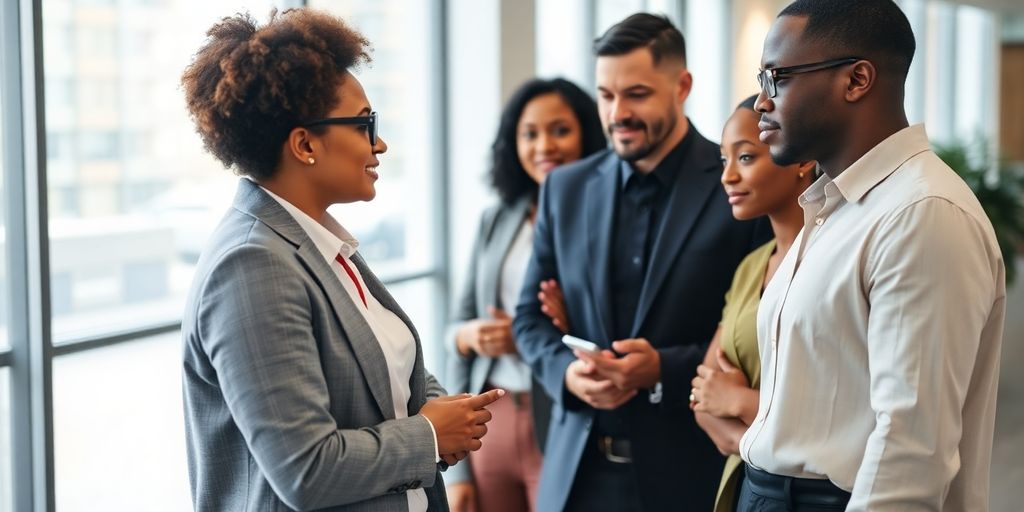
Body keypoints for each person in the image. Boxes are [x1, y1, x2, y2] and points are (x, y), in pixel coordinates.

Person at [179, 9, 503, 511]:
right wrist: (430, 435)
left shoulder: (317, 244)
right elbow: (306, 470)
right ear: (305, 144)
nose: (380, 143)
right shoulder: (251, 264)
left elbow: (380, 375)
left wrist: (443, 409)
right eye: (364, 124)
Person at [737, 1, 1006, 510]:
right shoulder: (833, 206)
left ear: (857, 79)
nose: (760, 103)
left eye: (778, 78)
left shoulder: (923, 213)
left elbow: (911, 449)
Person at [512, 13, 772, 512]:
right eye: (606, 96)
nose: (617, 114)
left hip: (690, 476)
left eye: (636, 94)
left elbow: (759, 338)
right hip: (575, 476)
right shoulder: (565, 189)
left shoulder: (738, 188)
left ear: (682, 86)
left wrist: (662, 370)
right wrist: (567, 373)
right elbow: (528, 319)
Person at [445, 78, 606, 512]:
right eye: (529, 134)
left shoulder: (603, 220)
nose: (544, 146)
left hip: (557, 416)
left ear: (587, 135)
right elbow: (455, 330)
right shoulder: (496, 220)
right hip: (489, 421)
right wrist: (474, 335)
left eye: (560, 130)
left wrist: (538, 337)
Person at [686, 95, 815, 512]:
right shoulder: (751, 267)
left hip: (813, 496)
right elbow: (704, 398)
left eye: (744, 157)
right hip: (747, 487)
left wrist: (741, 402)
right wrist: (764, 435)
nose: (727, 176)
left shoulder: (830, 262)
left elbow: (836, 419)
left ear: (801, 160)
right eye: (724, 160)